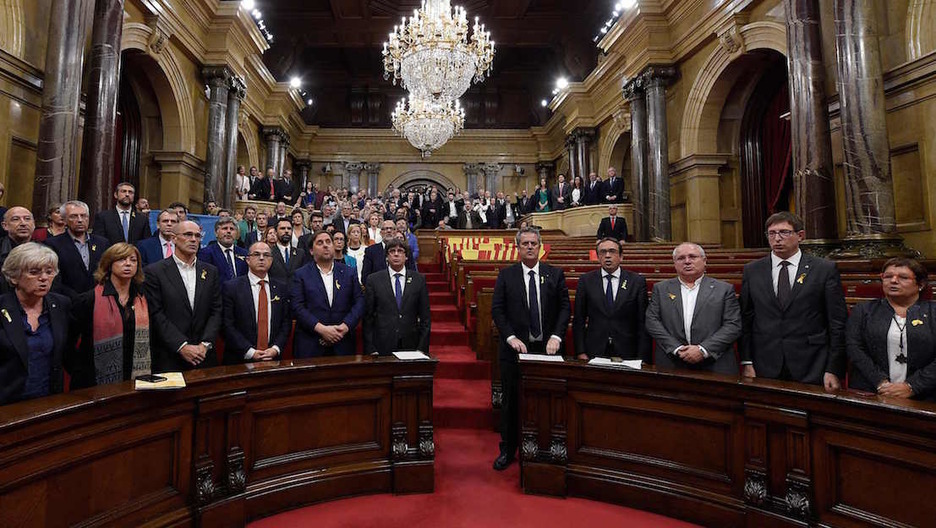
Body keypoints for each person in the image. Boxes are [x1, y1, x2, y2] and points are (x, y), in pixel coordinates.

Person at [491, 227, 570, 470]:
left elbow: (565, 308)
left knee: (548, 400)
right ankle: (508, 449)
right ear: (517, 247)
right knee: (511, 401)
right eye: (524, 243)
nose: (529, 247)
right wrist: (511, 337)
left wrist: (556, 336)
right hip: (515, 351)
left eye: (533, 243)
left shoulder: (554, 274)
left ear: (540, 246)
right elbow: (498, 310)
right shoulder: (507, 275)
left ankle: (547, 446)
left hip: (548, 350)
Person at [740, 212, 847, 390]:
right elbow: (746, 318)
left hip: (812, 363)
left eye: (784, 232)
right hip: (765, 363)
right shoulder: (753, 270)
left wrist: (834, 368)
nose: (777, 239)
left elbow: (837, 322)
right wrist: (747, 361)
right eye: (772, 233)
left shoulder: (824, 269)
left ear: (801, 236)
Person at [846, 258, 936, 401]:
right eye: (888, 276)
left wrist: (912, 386)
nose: (893, 281)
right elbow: (854, 348)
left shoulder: (933, 312)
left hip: (924, 397)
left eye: (903, 277)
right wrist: (881, 383)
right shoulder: (864, 310)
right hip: (872, 392)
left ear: (920, 284)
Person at [646, 243, 743, 375]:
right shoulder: (661, 289)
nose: (687, 261)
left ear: (704, 261)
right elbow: (652, 321)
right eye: (681, 258)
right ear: (674, 263)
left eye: (692, 257)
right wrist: (677, 348)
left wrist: (702, 350)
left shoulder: (724, 289)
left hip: (715, 363)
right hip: (672, 363)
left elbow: (733, 325)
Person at [68, 243, 151, 388]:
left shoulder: (143, 298)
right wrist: (78, 370)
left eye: (133, 260)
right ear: (109, 264)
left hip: (135, 377)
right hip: (93, 379)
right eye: (121, 259)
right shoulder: (89, 299)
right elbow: (69, 341)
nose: (128, 264)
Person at [143, 221, 222, 372]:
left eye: (197, 236)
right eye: (187, 234)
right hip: (170, 356)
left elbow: (216, 310)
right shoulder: (155, 272)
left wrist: (204, 344)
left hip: (204, 356)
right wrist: (182, 346)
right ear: (173, 238)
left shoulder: (211, 272)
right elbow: (156, 314)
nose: (193, 239)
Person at [0, 243, 71, 405]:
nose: (44, 278)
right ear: (13, 276)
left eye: (49, 272)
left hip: (50, 400)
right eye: (34, 272)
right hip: (7, 404)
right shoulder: (2, 308)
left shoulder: (61, 305)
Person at [573, 238, 650, 361]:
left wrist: (643, 357)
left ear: (621, 256)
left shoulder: (636, 281)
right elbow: (579, 320)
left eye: (612, 251)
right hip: (594, 350)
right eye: (603, 252)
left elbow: (643, 322)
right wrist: (580, 351)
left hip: (628, 351)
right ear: (598, 257)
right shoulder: (586, 280)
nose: (607, 256)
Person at [291, 230, 364, 357]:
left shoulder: (349, 273)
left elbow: (359, 302)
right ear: (311, 250)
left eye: (328, 242)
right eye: (320, 242)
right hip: (310, 344)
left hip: (343, 342)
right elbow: (298, 307)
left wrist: (345, 327)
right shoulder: (300, 274)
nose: (325, 245)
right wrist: (321, 329)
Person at [221, 242, 291, 364]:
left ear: (271, 260)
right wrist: (250, 352)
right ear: (248, 260)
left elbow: (286, 323)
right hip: (239, 359)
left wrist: (275, 349)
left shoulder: (282, 287)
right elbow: (227, 325)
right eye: (256, 254)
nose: (262, 258)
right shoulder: (232, 287)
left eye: (266, 255)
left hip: (273, 359)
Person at [363, 238, 430, 356]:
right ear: (386, 257)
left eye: (400, 251)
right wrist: (371, 348)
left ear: (406, 256)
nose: (396, 254)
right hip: (382, 344)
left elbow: (425, 317)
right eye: (392, 251)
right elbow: (368, 317)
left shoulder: (419, 280)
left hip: (411, 343)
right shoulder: (374, 280)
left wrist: (422, 348)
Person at [45, 201, 110, 298]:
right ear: (64, 220)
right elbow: (54, 279)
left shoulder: (102, 243)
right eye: (74, 216)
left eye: (84, 216)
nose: (80, 220)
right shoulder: (53, 244)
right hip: (67, 302)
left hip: (98, 300)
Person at [197, 217, 248, 283]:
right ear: (216, 233)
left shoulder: (244, 253)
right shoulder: (205, 253)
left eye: (232, 229)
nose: (229, 231)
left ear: (236, 234)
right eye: (225, 228)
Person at [0, 207, 36, 278]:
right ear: (5, 226)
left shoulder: (45, 249)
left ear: (34, 224)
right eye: (16, 219)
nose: (23, 223)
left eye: (27, 219)